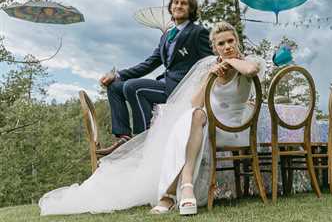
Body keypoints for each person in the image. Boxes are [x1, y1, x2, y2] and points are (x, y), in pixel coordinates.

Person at [39, 21, 265, 216]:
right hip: (205, 121)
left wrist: (230, 61)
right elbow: (196, 102)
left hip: (234, 125)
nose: (227, 47)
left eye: (230, 41)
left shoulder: (248, 61)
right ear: (214, 48)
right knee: (191, 116)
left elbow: (251, 70)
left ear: (237, 42)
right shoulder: (211, 67)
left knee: (192, 120)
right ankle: (184, 185)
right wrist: (211, 75)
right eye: (221, 44)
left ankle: (168, 195)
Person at [97, 0, 213, 155]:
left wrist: (198, 88)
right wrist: (117, 75)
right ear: (171, 7)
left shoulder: (198, 32)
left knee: (133, 87)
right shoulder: (166, 36)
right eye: (176, 2)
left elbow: (210, 62)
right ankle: (123, 136)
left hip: (183, 89)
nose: (179, 5)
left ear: (191, 8)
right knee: (115, 86)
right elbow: (149, 63)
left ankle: (142, 139)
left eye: (184, 3)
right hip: (165, 84)